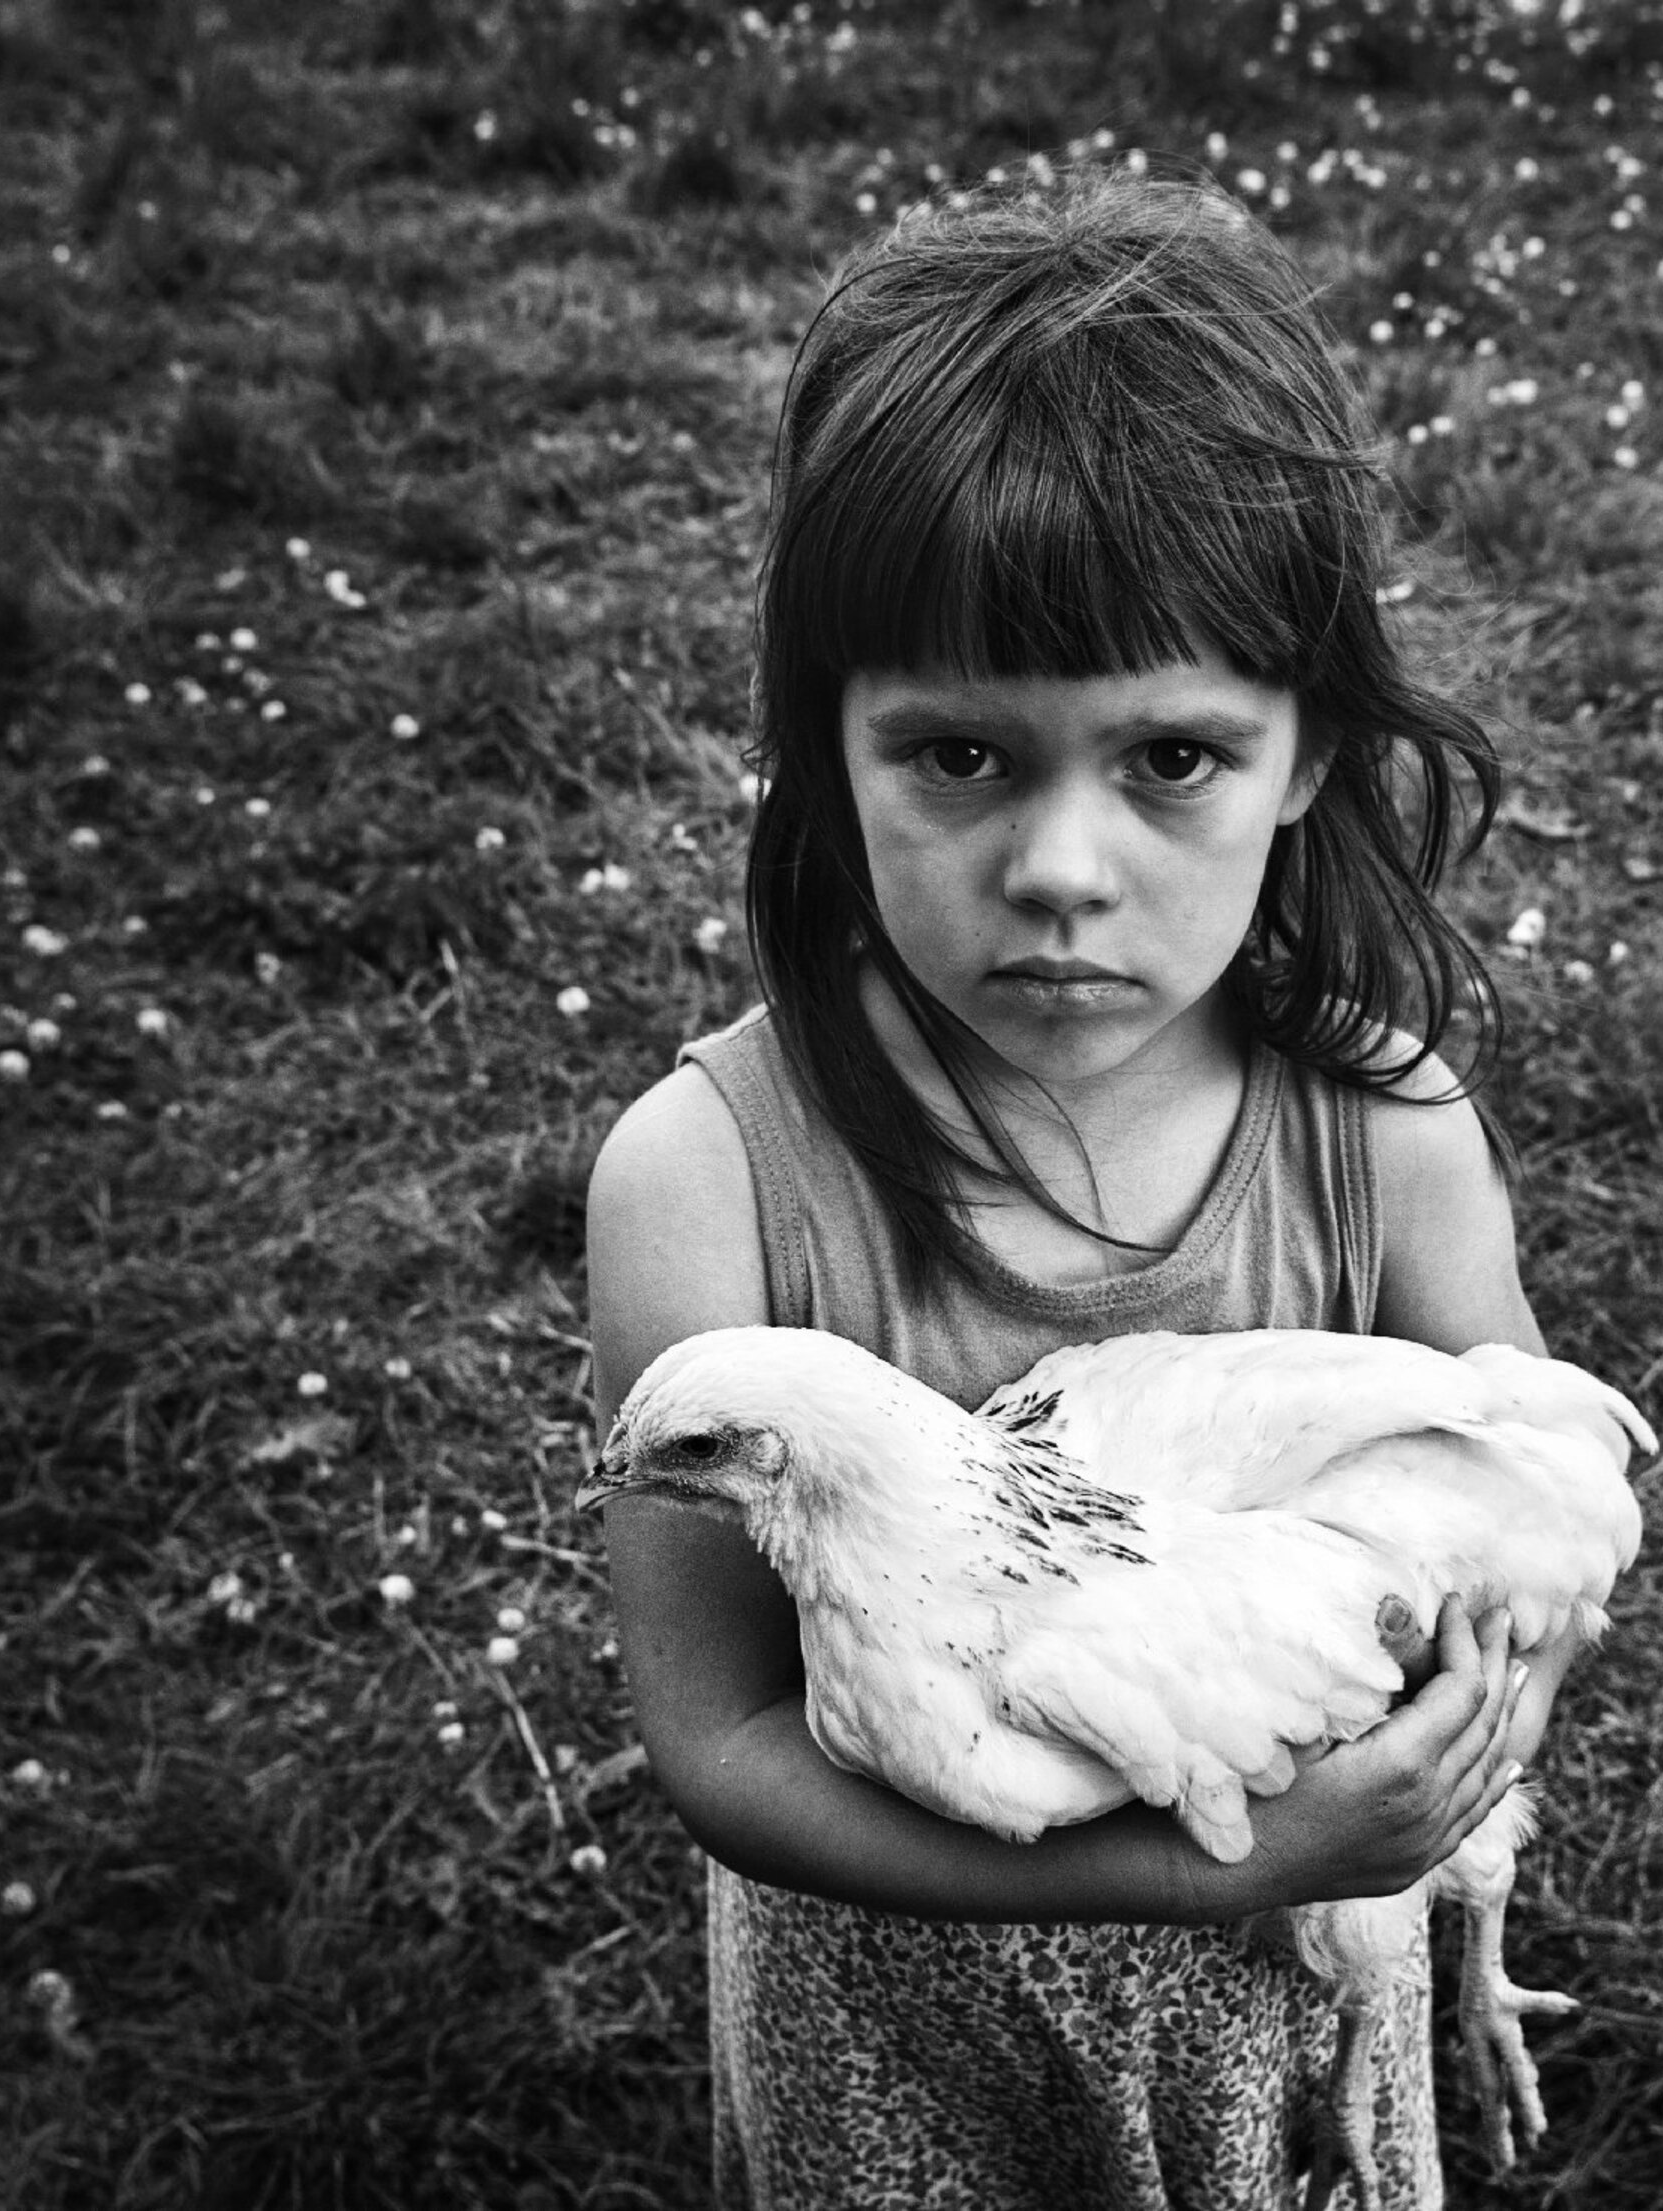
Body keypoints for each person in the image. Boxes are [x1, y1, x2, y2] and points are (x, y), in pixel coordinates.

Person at [583, 167, 1582, 2211]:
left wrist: (1453, 1750)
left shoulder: (1384, 1136)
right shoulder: (709, 1182)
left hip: (1288, 1973)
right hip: (899, 2009)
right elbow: (724, 1743)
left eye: (1171, 759)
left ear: (1307, 754)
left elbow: (1527, 1506)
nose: (1059, 864)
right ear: (822, 746)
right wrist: (1237, 1847)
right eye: (959, 754)